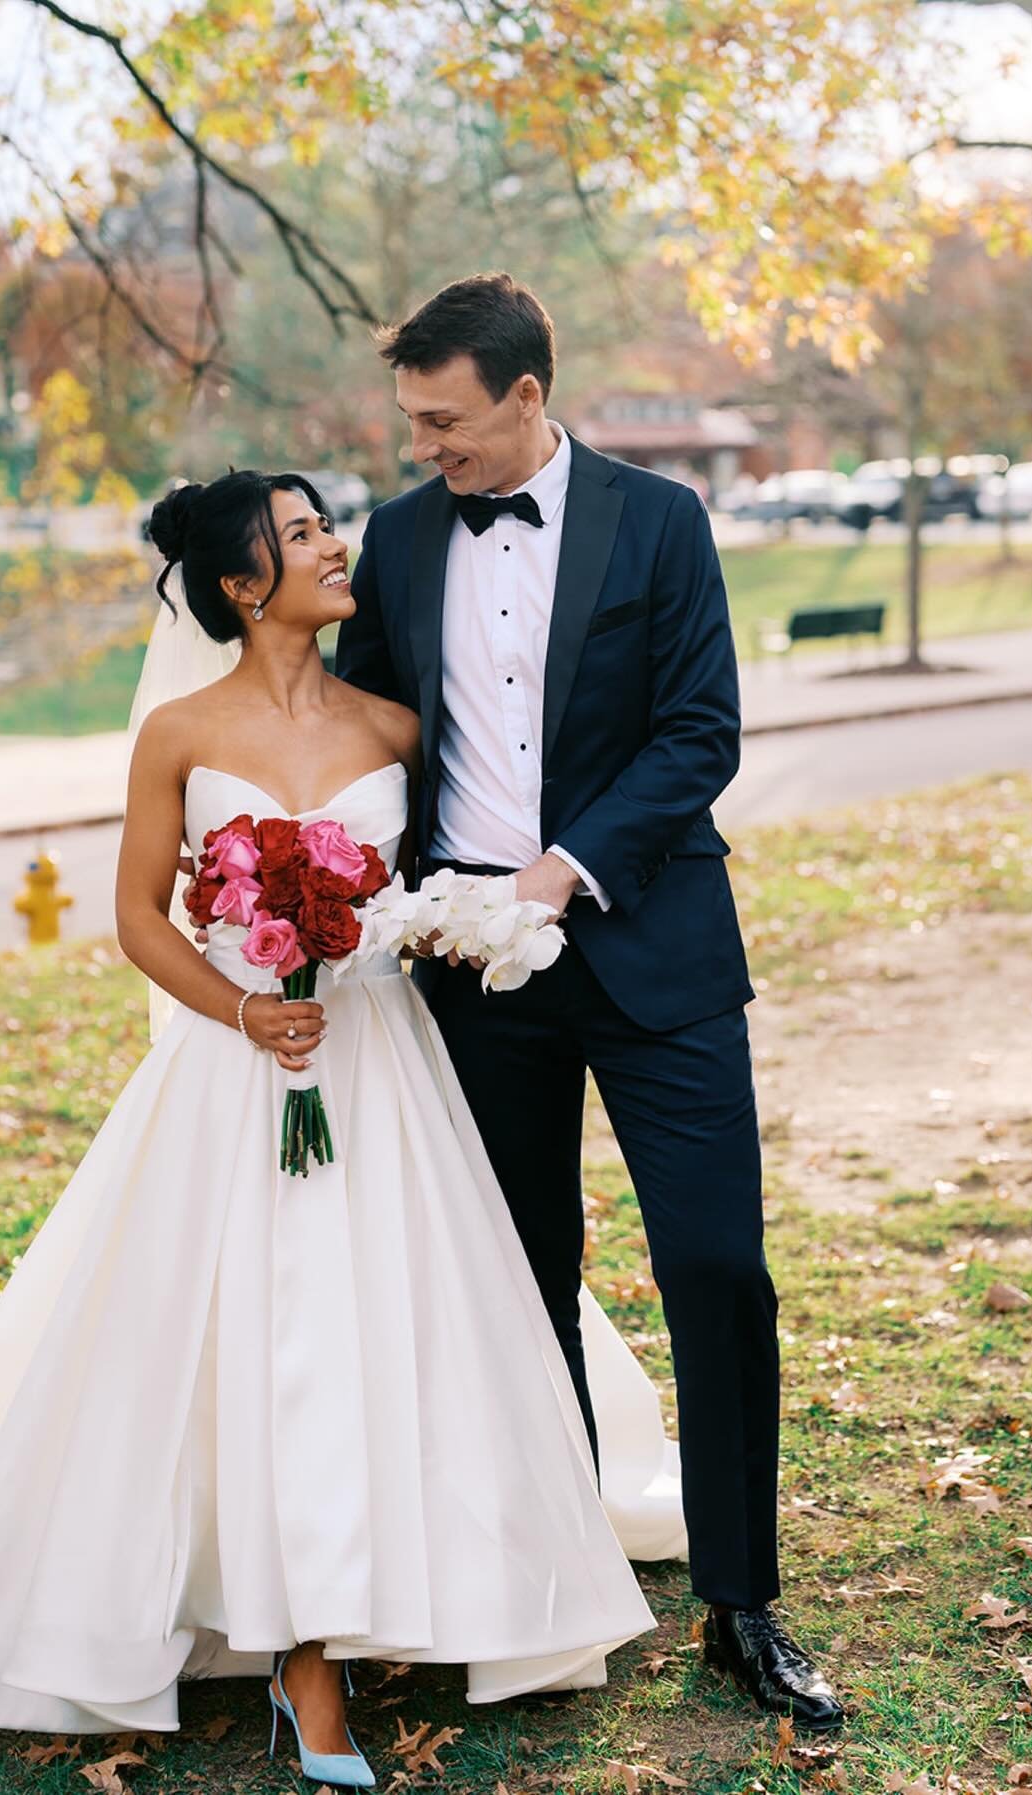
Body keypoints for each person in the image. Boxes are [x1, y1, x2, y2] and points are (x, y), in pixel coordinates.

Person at [0, 469, 687, 1786]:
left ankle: (393, 1596)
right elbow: (143, 914)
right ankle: (296, 1657)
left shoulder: (394, 724)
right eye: (302, 534)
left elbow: (447, 873)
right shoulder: (179, 736)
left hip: (379, 1066)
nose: (333, 545)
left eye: (328, 525)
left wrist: (439, 930)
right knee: (263, 1333)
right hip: (238, 1069)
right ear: (244, 584)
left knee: (386, 1320)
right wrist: (247, 1011)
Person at [334, 272, 844, 1731]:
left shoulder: (662, 522)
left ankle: (741, 1601)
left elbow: (702, 732)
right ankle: (550, 1582)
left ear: (526, 396)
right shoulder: (398, 535)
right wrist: (337, 874)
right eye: (412, 422)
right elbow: (377, 734)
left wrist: (566, 871)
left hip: (654, 951)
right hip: (470, 977)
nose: (429, 445)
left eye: (446, 421)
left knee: (718, 1270)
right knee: (519, 1283)